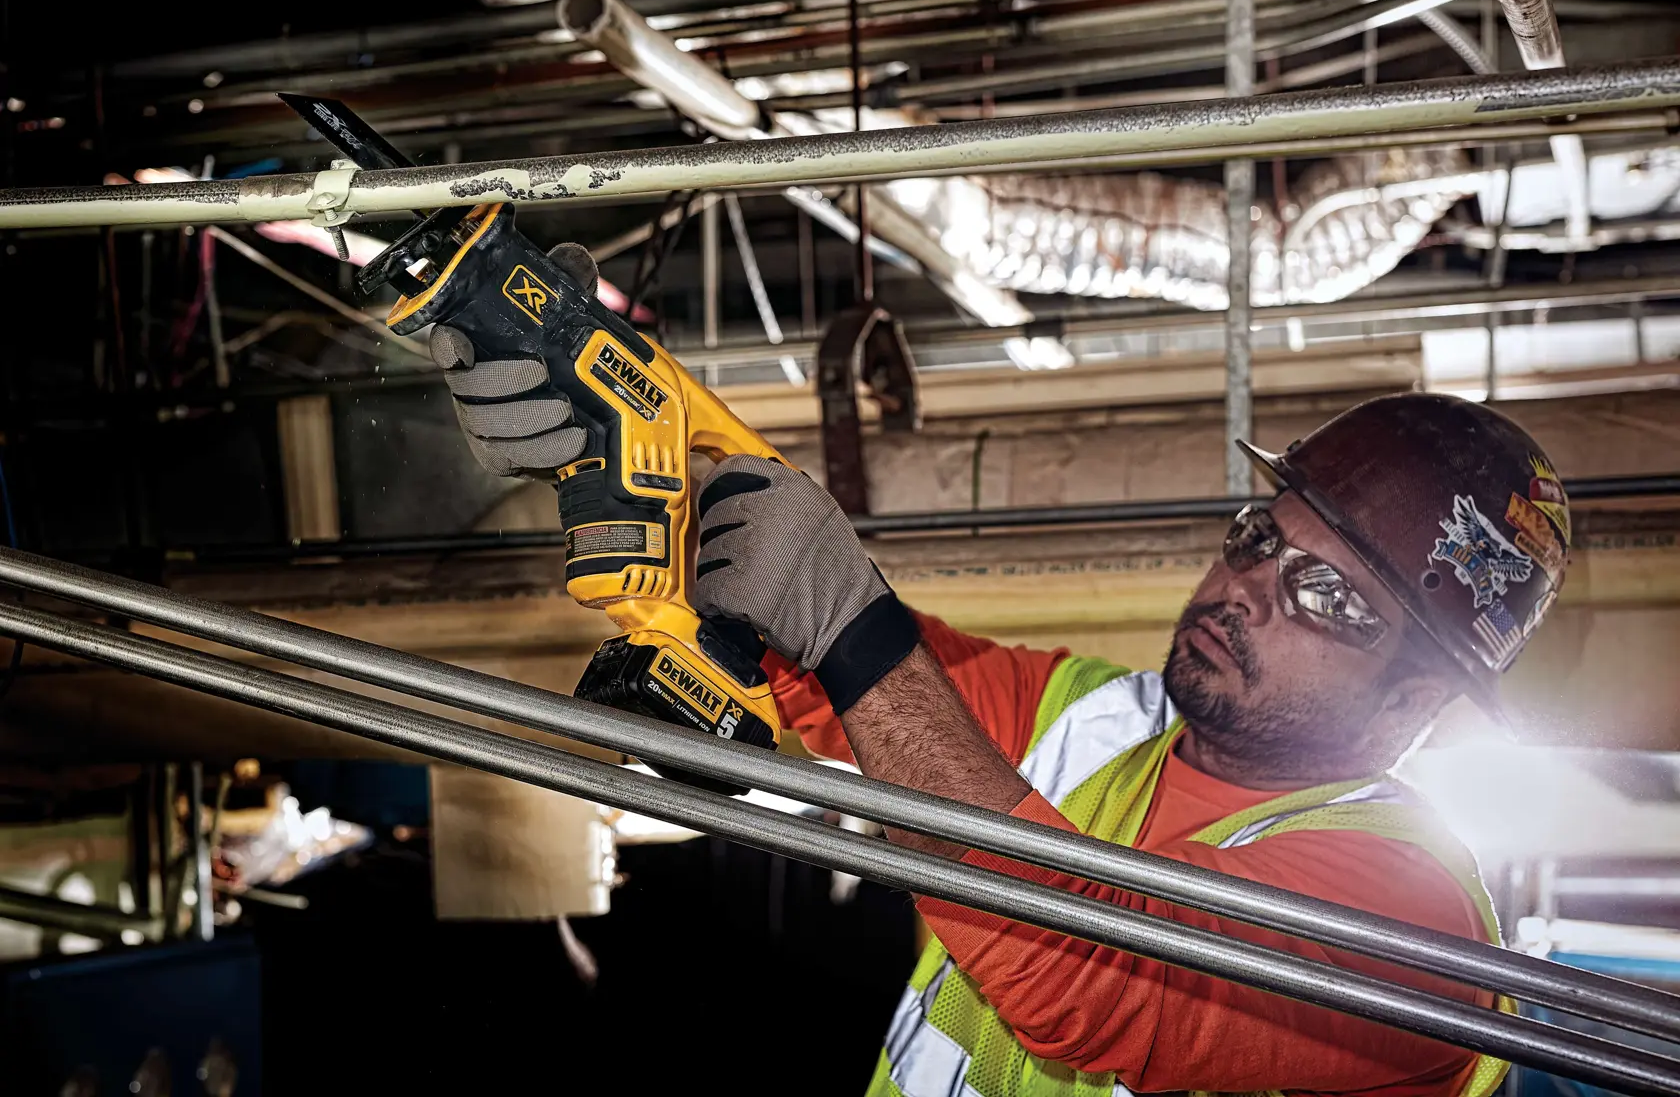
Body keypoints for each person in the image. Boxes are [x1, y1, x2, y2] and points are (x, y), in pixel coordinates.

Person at [428, 250, 1570, 1097]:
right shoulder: (1094, 717)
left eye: (1330, 597)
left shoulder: (1421, 917)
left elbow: (1098, 982)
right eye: (1261, 536)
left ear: (1420, 699)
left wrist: (851, 624)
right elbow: (812, 657)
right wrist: (621, 445)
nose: (1250, 587)